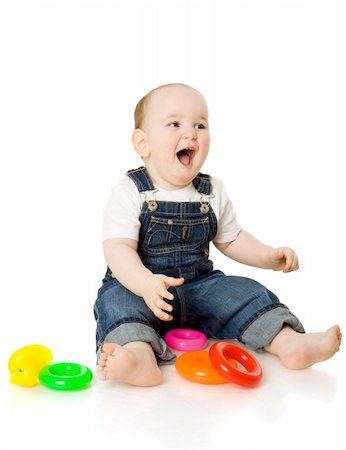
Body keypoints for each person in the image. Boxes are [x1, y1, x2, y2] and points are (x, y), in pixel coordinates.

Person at [94, 83, 341, 386]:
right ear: (142, 143)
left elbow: (232, 239)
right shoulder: (131, 191)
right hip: (140, 286)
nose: (191, 133)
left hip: (199, 286)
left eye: (200, 124)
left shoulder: (211, 192)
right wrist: (145, 283)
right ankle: (138, 357)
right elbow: (118, 248)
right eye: (175, 124)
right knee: (117, 302)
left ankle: (288, 342)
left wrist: (267, 256)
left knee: (242, 291)